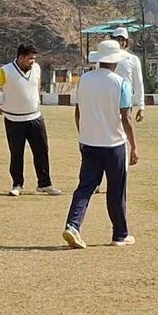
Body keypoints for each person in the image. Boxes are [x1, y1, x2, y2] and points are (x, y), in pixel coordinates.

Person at [63, 40, 139, 249]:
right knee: (116, 190)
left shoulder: (84, 80)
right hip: (114, 144)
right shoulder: (121, 83)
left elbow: (78, 111)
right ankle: (120, 234)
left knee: (85, 187)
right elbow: (126, 117)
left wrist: (82, 135)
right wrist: (134, 146)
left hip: (89, 143)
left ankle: (73, 225)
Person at [0, 44, 63, 196]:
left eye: (34, 58)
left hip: (35, 117)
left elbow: (36, 85)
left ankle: (45, 184)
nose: (33, 61)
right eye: (30, 58)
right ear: (21, 58)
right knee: (16, 153)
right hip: (14, 120)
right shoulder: (5, 71)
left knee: (42, 151)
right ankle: (17, 184)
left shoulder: (36, 68)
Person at [110, 27, 146, 123]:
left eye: (123, 40)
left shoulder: (132, 59)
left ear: (126, 42)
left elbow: (138, 84)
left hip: (125, 102)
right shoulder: (104, 59)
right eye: (117, 39)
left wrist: (141, 106)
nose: (120, 42)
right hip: (108, 100)